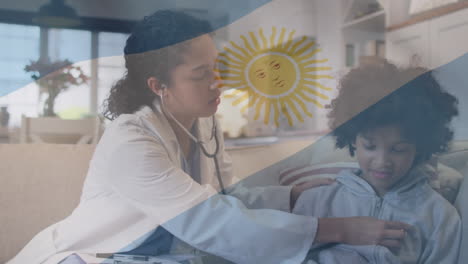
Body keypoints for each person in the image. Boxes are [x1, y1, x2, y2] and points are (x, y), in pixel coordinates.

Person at [8, 10, 412, 264]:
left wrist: (288, 196)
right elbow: (208, 220)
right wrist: (338, 228)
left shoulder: (201, 121)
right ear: (158, 84)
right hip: (87, 255)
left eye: (217, 67)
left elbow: (222, 196)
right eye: (202, 75)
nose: (218, 83)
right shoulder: (130, 141)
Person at [293, 61, 462, 263]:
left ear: (420, 147)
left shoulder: (440, 216)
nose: (382, 162)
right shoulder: (317, 200)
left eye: (398, 150)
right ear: (353, 139)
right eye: (370, 146)